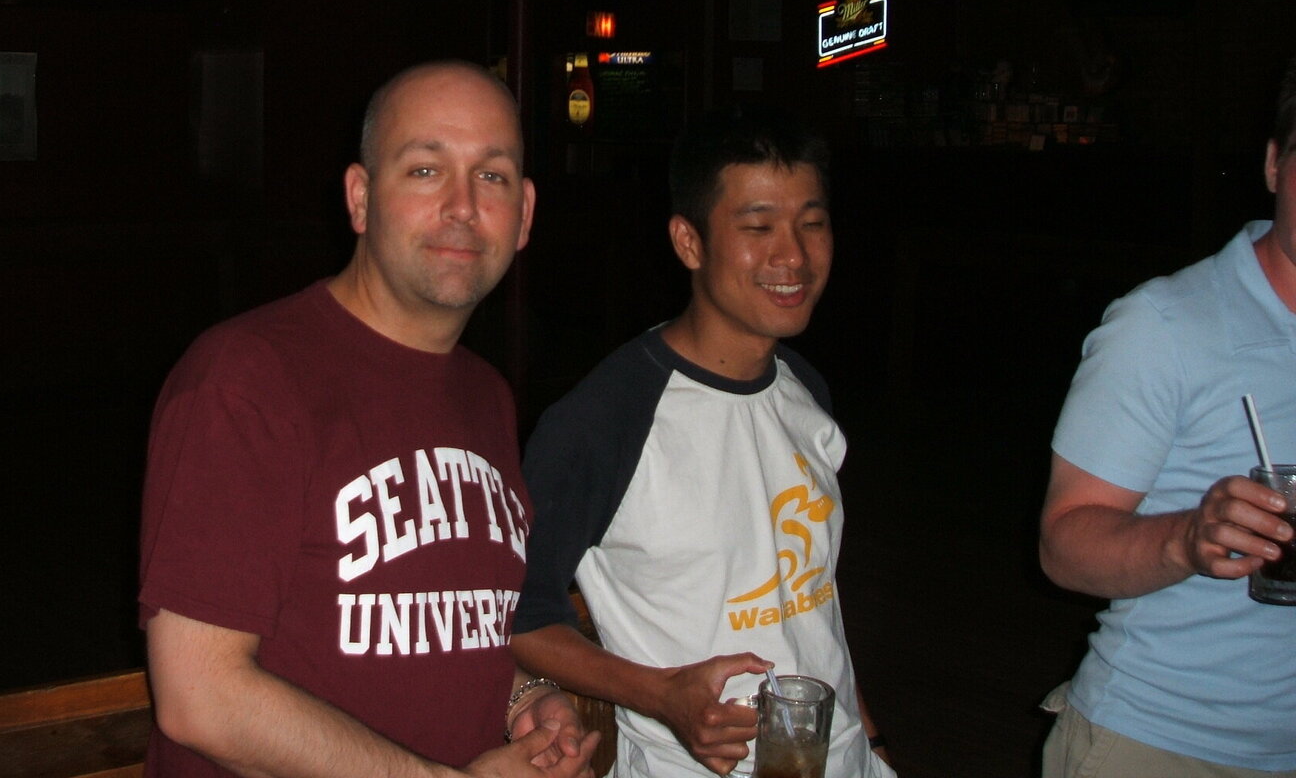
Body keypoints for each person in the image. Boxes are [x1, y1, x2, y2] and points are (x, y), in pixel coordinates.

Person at [139, 60, 599, 778]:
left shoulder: (485, 395)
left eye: (492, 176)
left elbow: (436, 628)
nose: (463, 206)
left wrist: (523, 696)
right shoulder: (246, 378)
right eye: (425, 170)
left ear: (525, 215)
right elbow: (200, 695)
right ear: (360, 198)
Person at [510, 106, 895, 778]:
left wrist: (875, 741)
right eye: (758, 227)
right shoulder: (605, 419)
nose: (794, 256)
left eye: (812, 223)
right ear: (689, 243)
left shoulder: (805, 392)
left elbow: (810, 600)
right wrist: (662, 695)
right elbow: (515, 614)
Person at [1038, 61, 1296, 777]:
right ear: (1274, 165)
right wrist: (1188, 538)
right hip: (1164, 742)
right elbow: (1063, 546)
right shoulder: (1163, 326)